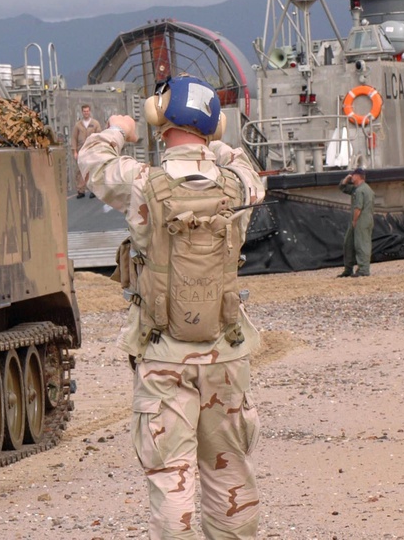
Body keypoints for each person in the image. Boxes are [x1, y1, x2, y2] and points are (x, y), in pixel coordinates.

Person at [79, 76, 265, 539]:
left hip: (163, 353)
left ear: (158, 117)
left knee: (171, 476)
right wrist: (211, 143)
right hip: (225, 351)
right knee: (230, 472)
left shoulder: (143, 182)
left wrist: (120, 129)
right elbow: (240, 160)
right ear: (214, 126)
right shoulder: (240, 184)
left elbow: (92, 161)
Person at [337, 167, 375, 277]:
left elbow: (358, 207)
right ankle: (348, 269)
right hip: (360, 219)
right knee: (348, 243)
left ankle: (363, 269)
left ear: (358, 176)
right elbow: (343, 188)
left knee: (361, 244)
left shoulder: (360, 190)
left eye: (353, 175)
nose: (351, 176)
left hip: (361, 219)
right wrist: (346, 179)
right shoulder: (357, 189)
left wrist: (354, 221)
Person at [71, 104, 100, 198]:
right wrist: (74, 151)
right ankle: (81, 190)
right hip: (81, 151)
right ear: (82, 112)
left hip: (92, 151)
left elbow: (100, 136)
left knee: (93, 170)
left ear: (90, 111)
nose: (86, 113)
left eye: (87, 111)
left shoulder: (95, 124)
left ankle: (93, 190)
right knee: (80, 171)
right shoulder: (78, 125)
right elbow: (74, 138)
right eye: (84, 111)